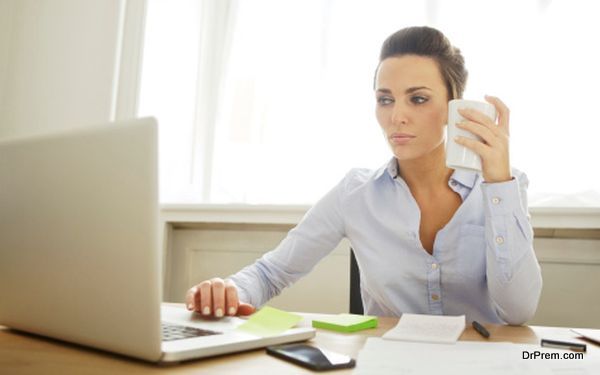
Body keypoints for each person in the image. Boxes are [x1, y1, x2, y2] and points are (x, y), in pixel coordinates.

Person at [185, 26, 542, 325]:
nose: (396, 117)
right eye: (385, 100)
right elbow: (271, 273)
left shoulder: (503, 187)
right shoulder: (355, 193)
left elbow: (519, 311)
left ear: (455, 106)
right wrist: (228, 290)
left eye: (417, 99)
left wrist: (498, 184)